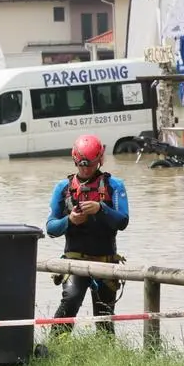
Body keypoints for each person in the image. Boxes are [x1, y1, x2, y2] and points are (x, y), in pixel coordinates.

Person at [45, 134, 131, 336]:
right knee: (71, 300)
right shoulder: (63, 188)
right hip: (74, 261)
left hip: (106, 261)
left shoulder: (114, 185)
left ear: (100, 160)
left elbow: (122, 222)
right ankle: (56, 344)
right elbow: (50, 228)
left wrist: (101, 209)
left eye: (90, 165)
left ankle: (105, 349)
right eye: (81, 165)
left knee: (104, 314)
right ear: (75, 160)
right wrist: (69, 220)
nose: (85, 169)